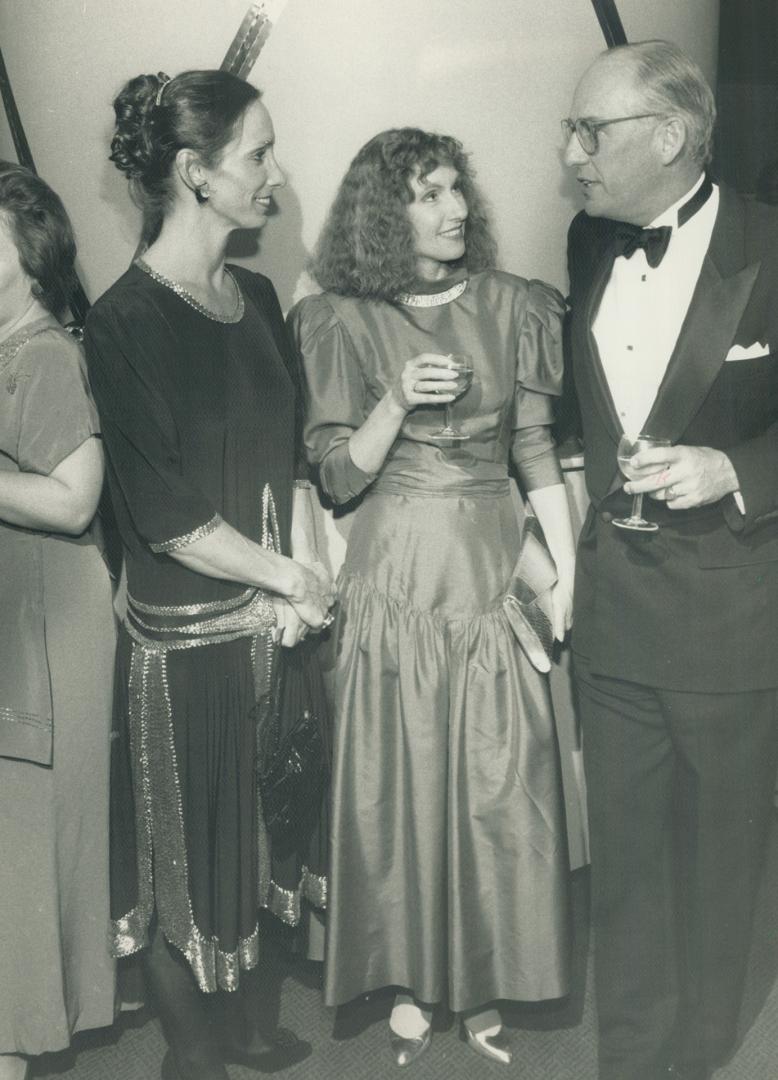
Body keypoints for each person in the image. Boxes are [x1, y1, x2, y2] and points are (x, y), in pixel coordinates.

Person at [289, 127, 576, 1067]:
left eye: (457, 188)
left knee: (502, 778)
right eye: (427, 193)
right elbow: (335, 476)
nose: (454, 208)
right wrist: (396, 400)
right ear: (383, 212)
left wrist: (564, 568)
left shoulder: (516, 304)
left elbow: (532, 449)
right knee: (402, 779)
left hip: (492, 564)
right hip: (396, 572)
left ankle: (489, 969)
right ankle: (412, 978)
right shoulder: (336, 318)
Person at [83, 70, 335, 1080]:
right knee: (186, 854)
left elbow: (295, 458)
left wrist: (305, 579)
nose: (275, 174)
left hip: (277, 625)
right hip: (189, 646)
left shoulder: (260, 295)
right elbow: (172, 518)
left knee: (269, 824)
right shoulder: (123, 323)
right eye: (259, 154)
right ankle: (192, 1056)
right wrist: (289, 578)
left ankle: (241, 1028)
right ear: (196, 173)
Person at [562, 39, 778, 1080]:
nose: (569, 154)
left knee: (722, 871)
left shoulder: (770, 245)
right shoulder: (586, 244)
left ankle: (702, 1058)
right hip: (611, 623)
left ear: (669, 135)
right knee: (628, 879)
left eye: (587, 132)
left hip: (728, 621)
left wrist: (733, 467)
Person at [0, 162, 115, 1080]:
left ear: (27, 250)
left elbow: (76, 500)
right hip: (20, 612)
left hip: (45, 623)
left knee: (25, 852)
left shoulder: (39, 351)